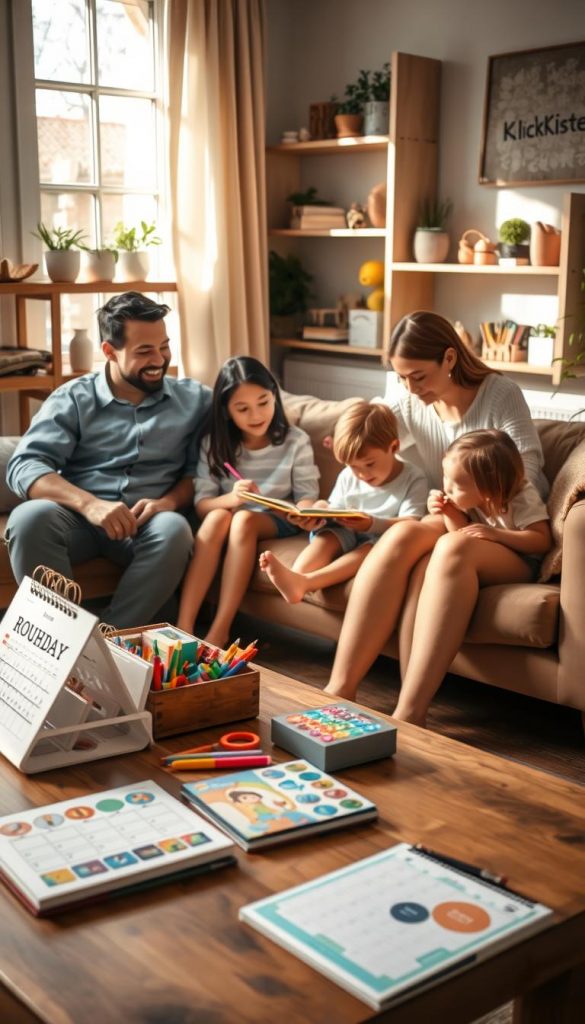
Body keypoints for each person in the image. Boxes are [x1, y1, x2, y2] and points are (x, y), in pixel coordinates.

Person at [323, 310, 548, 703]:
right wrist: (345, 441)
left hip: (503, 525)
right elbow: (373, 422)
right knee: (404, 532)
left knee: (450, 547)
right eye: (401, 378)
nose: (410, 389)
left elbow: (524, 467)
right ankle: (340, 688)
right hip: (451, 515)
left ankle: (410, 710)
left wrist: (470, 500)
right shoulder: (412, 403)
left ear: (449, 358)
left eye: (419, 377)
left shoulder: (499, 394)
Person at [6, 291, 211, 628]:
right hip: (78, 520)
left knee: (175, 529)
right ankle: (58, 638)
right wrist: (89, 505)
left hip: (148, 524)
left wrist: (168, 502)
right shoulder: (73, 398)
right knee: (28, 519)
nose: (159, 359)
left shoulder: (196, 400)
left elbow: (201, 471)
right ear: (109, 351)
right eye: (144, 351)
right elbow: (25, 465)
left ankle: (107, 642)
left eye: (164, 346)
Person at [393, 429, 551, 726]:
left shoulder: (521, 495)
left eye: (456, 484)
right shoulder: (471, 499)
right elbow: (458, 538)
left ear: (488, 488)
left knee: (453, 548)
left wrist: (495, 533)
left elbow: (541, 540)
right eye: (445, 478)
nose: (446, 486)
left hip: (520, 562)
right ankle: (410, 692)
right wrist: (450, 511)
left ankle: (412, 707)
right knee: (428, 561)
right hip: (483, 557)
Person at [176, 356, 319, 645]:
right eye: (243, 408)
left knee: (243, 520)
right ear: (227, 411)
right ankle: (184, 626)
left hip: (277, 520)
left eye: (264, 402)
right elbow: (203, 505)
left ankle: (220, 629)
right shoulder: (215, 444)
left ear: (275, 397)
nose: (256, 415)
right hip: (229, 515)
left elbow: (306, 496)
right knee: (220, 516)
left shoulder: (296, 441)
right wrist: (232, 497)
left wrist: (304, 512)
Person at [259, 400, 428, 603]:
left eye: (369, 464)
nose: (361, 474)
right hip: (347, 531)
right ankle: (295, 575)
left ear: (394, 446)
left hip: (381, 538)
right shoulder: (349, 475)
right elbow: (335, 509)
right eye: (353, 466)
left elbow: (412, 523)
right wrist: (318, 513)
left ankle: (306, 582)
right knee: (328, 536)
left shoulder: (413, 477)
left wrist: (372, 523)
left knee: (370, 550)